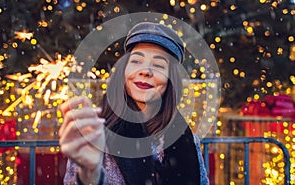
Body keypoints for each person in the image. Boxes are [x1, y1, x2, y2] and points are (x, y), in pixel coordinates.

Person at [59, 22, 209, 185]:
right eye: (136, 61)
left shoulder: (186, 140)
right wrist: (90, 174)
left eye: (158, 65)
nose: (145, 71)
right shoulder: (95, 134)